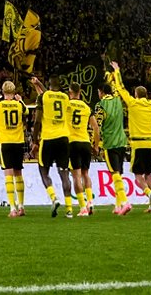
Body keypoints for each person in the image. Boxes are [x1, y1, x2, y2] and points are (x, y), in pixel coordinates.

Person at [110, 62, 151, 214]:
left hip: (138, 145)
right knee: (149, 175)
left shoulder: (132, 103)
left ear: (136, 95)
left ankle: (149, 194)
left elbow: (120, 88)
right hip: (150, 145)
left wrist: (117, 71)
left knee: (138, 177)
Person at [30, 75, 75, 217]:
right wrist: (39, 83)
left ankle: (54, 198)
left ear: (49, 86)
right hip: (63, 138)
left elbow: (37, 121)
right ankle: (69, 209)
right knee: (64, 173)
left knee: (43, 170)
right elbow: (50, 96)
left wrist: (35, 141)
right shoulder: (65, 98)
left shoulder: (43, 97)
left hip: (48, 138)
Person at [0, 80, 28, 217]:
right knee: (18, 173)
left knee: (8, 173)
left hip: (5, 142)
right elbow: (27, 111)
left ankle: (12, 208)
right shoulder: (19, 105)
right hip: (18, 141)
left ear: (3, 91)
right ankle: (22, 206)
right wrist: (20, 100)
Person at [94, 74, 132, 215]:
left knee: (114, 173)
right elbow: (117, 86)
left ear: (101, 92)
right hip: (122, 141)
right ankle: (117, 206)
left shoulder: (100, 106)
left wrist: (95, 144)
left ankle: (125, 202)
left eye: (99, 92)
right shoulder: (117, 100)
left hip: (109, 143)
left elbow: (97, 126)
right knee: (119, 174)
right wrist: (115, 73)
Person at [65, 82, 98, 216]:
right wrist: (95, 145)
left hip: (72, 142)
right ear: (80, 92)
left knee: (76, 176)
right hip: (85, 142)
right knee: (85, 174)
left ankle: (83, 207)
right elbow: (96, 128)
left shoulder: (66, 104)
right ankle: (90, 201)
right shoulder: (86, 107)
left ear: (70, 92)